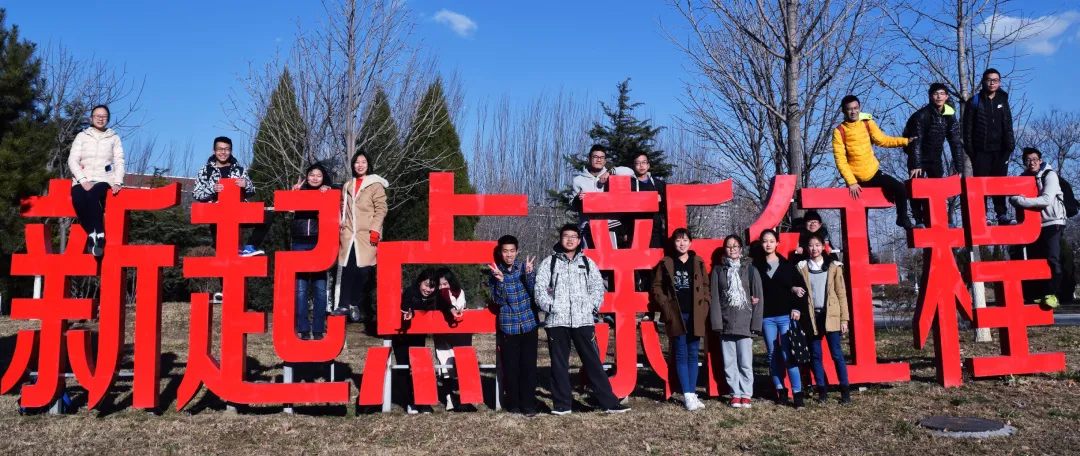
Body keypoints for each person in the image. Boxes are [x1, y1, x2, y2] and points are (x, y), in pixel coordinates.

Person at [534, 223, 630, 415]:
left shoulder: (587, 263)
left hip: (583, 321)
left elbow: (597, 287)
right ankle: (562, 404)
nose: (570, 240)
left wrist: (591, 307)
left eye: (573, 237)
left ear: (579, 240)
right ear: (560, 239)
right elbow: (539, 290)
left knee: (593, 363)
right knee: (559, 365)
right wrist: (552, 307)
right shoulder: (549, 262)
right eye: (566, 236)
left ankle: (609, 403)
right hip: (557, 322)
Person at [833, 95, 917, 228]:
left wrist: (905, 141)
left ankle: (902, 218)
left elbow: (882, 140)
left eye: (856, 108)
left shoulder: (867, 123)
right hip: (857, 181)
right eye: (849, 109)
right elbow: (840, 160)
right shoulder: (839, 131)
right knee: (860, 216)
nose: (853, 112)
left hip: (874, 172)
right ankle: (866, 247)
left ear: (859, 109)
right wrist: (851, 182)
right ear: (844, 111)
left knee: (900, 188)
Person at [649, 228, 710, 411]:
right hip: (676, 314)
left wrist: (706, 303)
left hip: (695, 314)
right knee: (681, 354)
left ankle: (691, 393)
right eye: (678, 240)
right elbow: (656, 286)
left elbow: (706, 286)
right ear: (673, 243)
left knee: (693, 353)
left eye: (685, 240)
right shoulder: (666, 263)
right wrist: (665, 306)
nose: (681, 243)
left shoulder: (698, 262)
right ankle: (688, 395)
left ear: (690, 242)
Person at [332, 151, 388, 328]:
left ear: (368, 164)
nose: (360, 165)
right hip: (349, 234)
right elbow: (342, 206)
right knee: (347, 269)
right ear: (353, 165)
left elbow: (381, 209)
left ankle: (353, 302)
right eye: (357, 162)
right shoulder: (348, 185)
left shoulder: (375, 185)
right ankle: (342, 305)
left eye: (363, 162)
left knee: (363, 270)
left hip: (367, 234)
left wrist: (375, 230)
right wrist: (342, 224)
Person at [794, 233, 851, 404]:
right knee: (816, 355)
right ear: (806, 248)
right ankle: (822, 392)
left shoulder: (834, 266)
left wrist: (844, 319)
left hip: (831, 316)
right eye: (811, 245)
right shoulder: (802, 267)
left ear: (823, 246)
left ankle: (845, 391)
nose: (814, 249)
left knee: (837, 354)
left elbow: (842, 294)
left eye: (817, 245)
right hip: (812, 317)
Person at [752, 229, 805, 408]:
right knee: (772, 354)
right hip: (767, 318)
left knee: (788, 353)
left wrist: (797, 308)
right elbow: (752, 290)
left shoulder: (787, 265)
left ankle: (797, 393)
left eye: (771, 241)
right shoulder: (756, 267)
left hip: (785, 316)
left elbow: (799, 288)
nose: (768, 244)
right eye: (765, 241)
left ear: (777, 243)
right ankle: (780, 390)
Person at [709, 234, 763, 409]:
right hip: (726, 322)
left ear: (741, 249)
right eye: (729, 246)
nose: (732, 249)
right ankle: (735, 393)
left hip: (745, 322)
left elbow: (758, 297)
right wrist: (717, 323)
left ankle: (746, 394)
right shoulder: (718, 271)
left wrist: (755, 324)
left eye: (735, 246)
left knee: (745, 361)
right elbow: (715, 298)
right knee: (729, 361)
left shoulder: (751, 270)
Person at [488, 235, 539, 417]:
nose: (508, 255)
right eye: (505, 251)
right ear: (500, 253)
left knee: (528, 367)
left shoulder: (525, 269)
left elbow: (536, 295)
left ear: (517, 251)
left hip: (528, 324)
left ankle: (528, 405)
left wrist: (530, 275)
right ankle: (514, 404)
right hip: (508, 326)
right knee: (511, 367)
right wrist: (500, 282)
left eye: (512, 251)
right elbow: (498, 300)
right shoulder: (494, 273)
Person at [192, 136, 268, 257]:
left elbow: (252, 191)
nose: (223, 152)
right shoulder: (205, 170)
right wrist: (212, 189)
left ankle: (250, 247)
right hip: (217, 216)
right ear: (214, 151)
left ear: (231, 151)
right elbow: (196, 193)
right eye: (220, 149)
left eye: (226, 149)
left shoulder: (240, 170)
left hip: (239, 212)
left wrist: (246, 185)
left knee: (267, 215)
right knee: (222, 256)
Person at [1009, 148, 1067, 309]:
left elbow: (1046, 200)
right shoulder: (1023, 178)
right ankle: (1038, 294)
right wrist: (1014, 200)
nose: (1032, 162)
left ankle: (1051, 294)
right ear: (1024, 162)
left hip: (1053, 222)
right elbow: (1012, 196)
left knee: (1052, 258)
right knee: (1035, 260)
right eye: (1028, 160)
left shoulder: (1050, 175)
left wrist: (1020, 201)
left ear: (1040, 160)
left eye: (1035, 159)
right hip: (1033, 225)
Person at [68, 105, 125, 257]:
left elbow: (119, 161)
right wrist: (82, 180)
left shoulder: (114, 137)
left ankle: (99, 234)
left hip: (103, 179)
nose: (100, 118)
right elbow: (73, 160)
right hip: (82, 178)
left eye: (104, 116)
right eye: (97, 115)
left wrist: (118, 182)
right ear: (91, 118)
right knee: (78, 199)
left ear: (108, 119)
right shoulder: (82, 136)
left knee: (92, 196)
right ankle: (94, 234)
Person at [905, 83, 962, 226]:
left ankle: (939, 220)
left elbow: (955, 142)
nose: (939, 96)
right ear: (930, 96)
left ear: (947, 96)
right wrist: (916, 164)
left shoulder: (950, 116)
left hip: (935, 157)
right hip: (917, 156)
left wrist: (959, 167)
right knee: (917, 188)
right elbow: (915, 142)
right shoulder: (921, 115)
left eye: (942, 94)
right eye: (936, 94)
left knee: (938, 190)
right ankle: (919, 220)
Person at [964, 68, 1017, 226]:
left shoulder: (1003, 100)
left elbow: (1008, 125)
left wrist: (1010, 147)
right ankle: (982, 216)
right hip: (981, 151)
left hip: (1001, 150)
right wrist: (971, 151)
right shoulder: (974, 101)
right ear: (983, 81)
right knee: (982, 185)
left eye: (995, 80)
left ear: (999, 82)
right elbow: (967, 130)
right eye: (989, 80)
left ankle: (1001, 214)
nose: (992, 83)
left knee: (999, 184)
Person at [290, 163, 335, 340]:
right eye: (311, 175)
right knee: (300, 289)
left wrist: (329, 189)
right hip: (299, 242)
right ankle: (302, 327)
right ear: (307, 177)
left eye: (319, 175)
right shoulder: (299, 192)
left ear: (323, 178)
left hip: (320, 242)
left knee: (320, 288)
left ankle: (318, 328)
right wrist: (293, 194)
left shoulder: (327, 192)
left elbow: (337, 195)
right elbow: (288, 209)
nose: (315, 178)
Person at [571, 144, 633, 249]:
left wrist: (611, 172)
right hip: (587, 227)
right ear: (589, 158)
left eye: (602, 157)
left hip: (611, 225)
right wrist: (578, 199)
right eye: (595, 157)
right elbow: (572, 207)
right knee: (589, 262)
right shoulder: (578, 180)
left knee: (611, 263)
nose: (598, 160)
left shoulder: (612, 175)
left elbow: (631, 172)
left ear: (605, 161)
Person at [432, 268, 476, 412]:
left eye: (445, 284)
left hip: (461, 332)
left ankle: (466, 400)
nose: (443, 287)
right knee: (445, 365)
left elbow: (462, 308)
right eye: (440, 284)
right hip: (442, 333)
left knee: (463, 364)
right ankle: (449, 398)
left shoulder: (460, 292)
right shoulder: (437, 296)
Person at [397, 269, 439, 414]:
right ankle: (409, 402)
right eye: (426, 285)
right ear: (420, 282)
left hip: (418, 336)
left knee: (420, 368)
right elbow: (407, 302)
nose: (428, 289)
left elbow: (445, 304)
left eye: (432, 287)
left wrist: (452, 309)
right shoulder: (411, 291)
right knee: (404, 369)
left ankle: (423, 402)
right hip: (401, 337)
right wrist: (409, 311)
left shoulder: (434, 296)